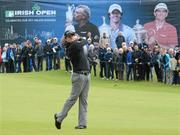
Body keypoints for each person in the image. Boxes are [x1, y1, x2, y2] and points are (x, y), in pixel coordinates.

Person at [54, 30, 90, 129]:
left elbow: (84, 42)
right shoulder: (71, 47)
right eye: (69, 36)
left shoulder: (76, 43)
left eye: (73, 35)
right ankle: (59, 117)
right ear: (66, 39)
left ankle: (82, 124)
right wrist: (80, 38)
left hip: (86, 74)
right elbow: (84, 42)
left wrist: (80, 38)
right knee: (73, 98)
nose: (72, 37)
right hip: (78, 76)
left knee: (84, 100)